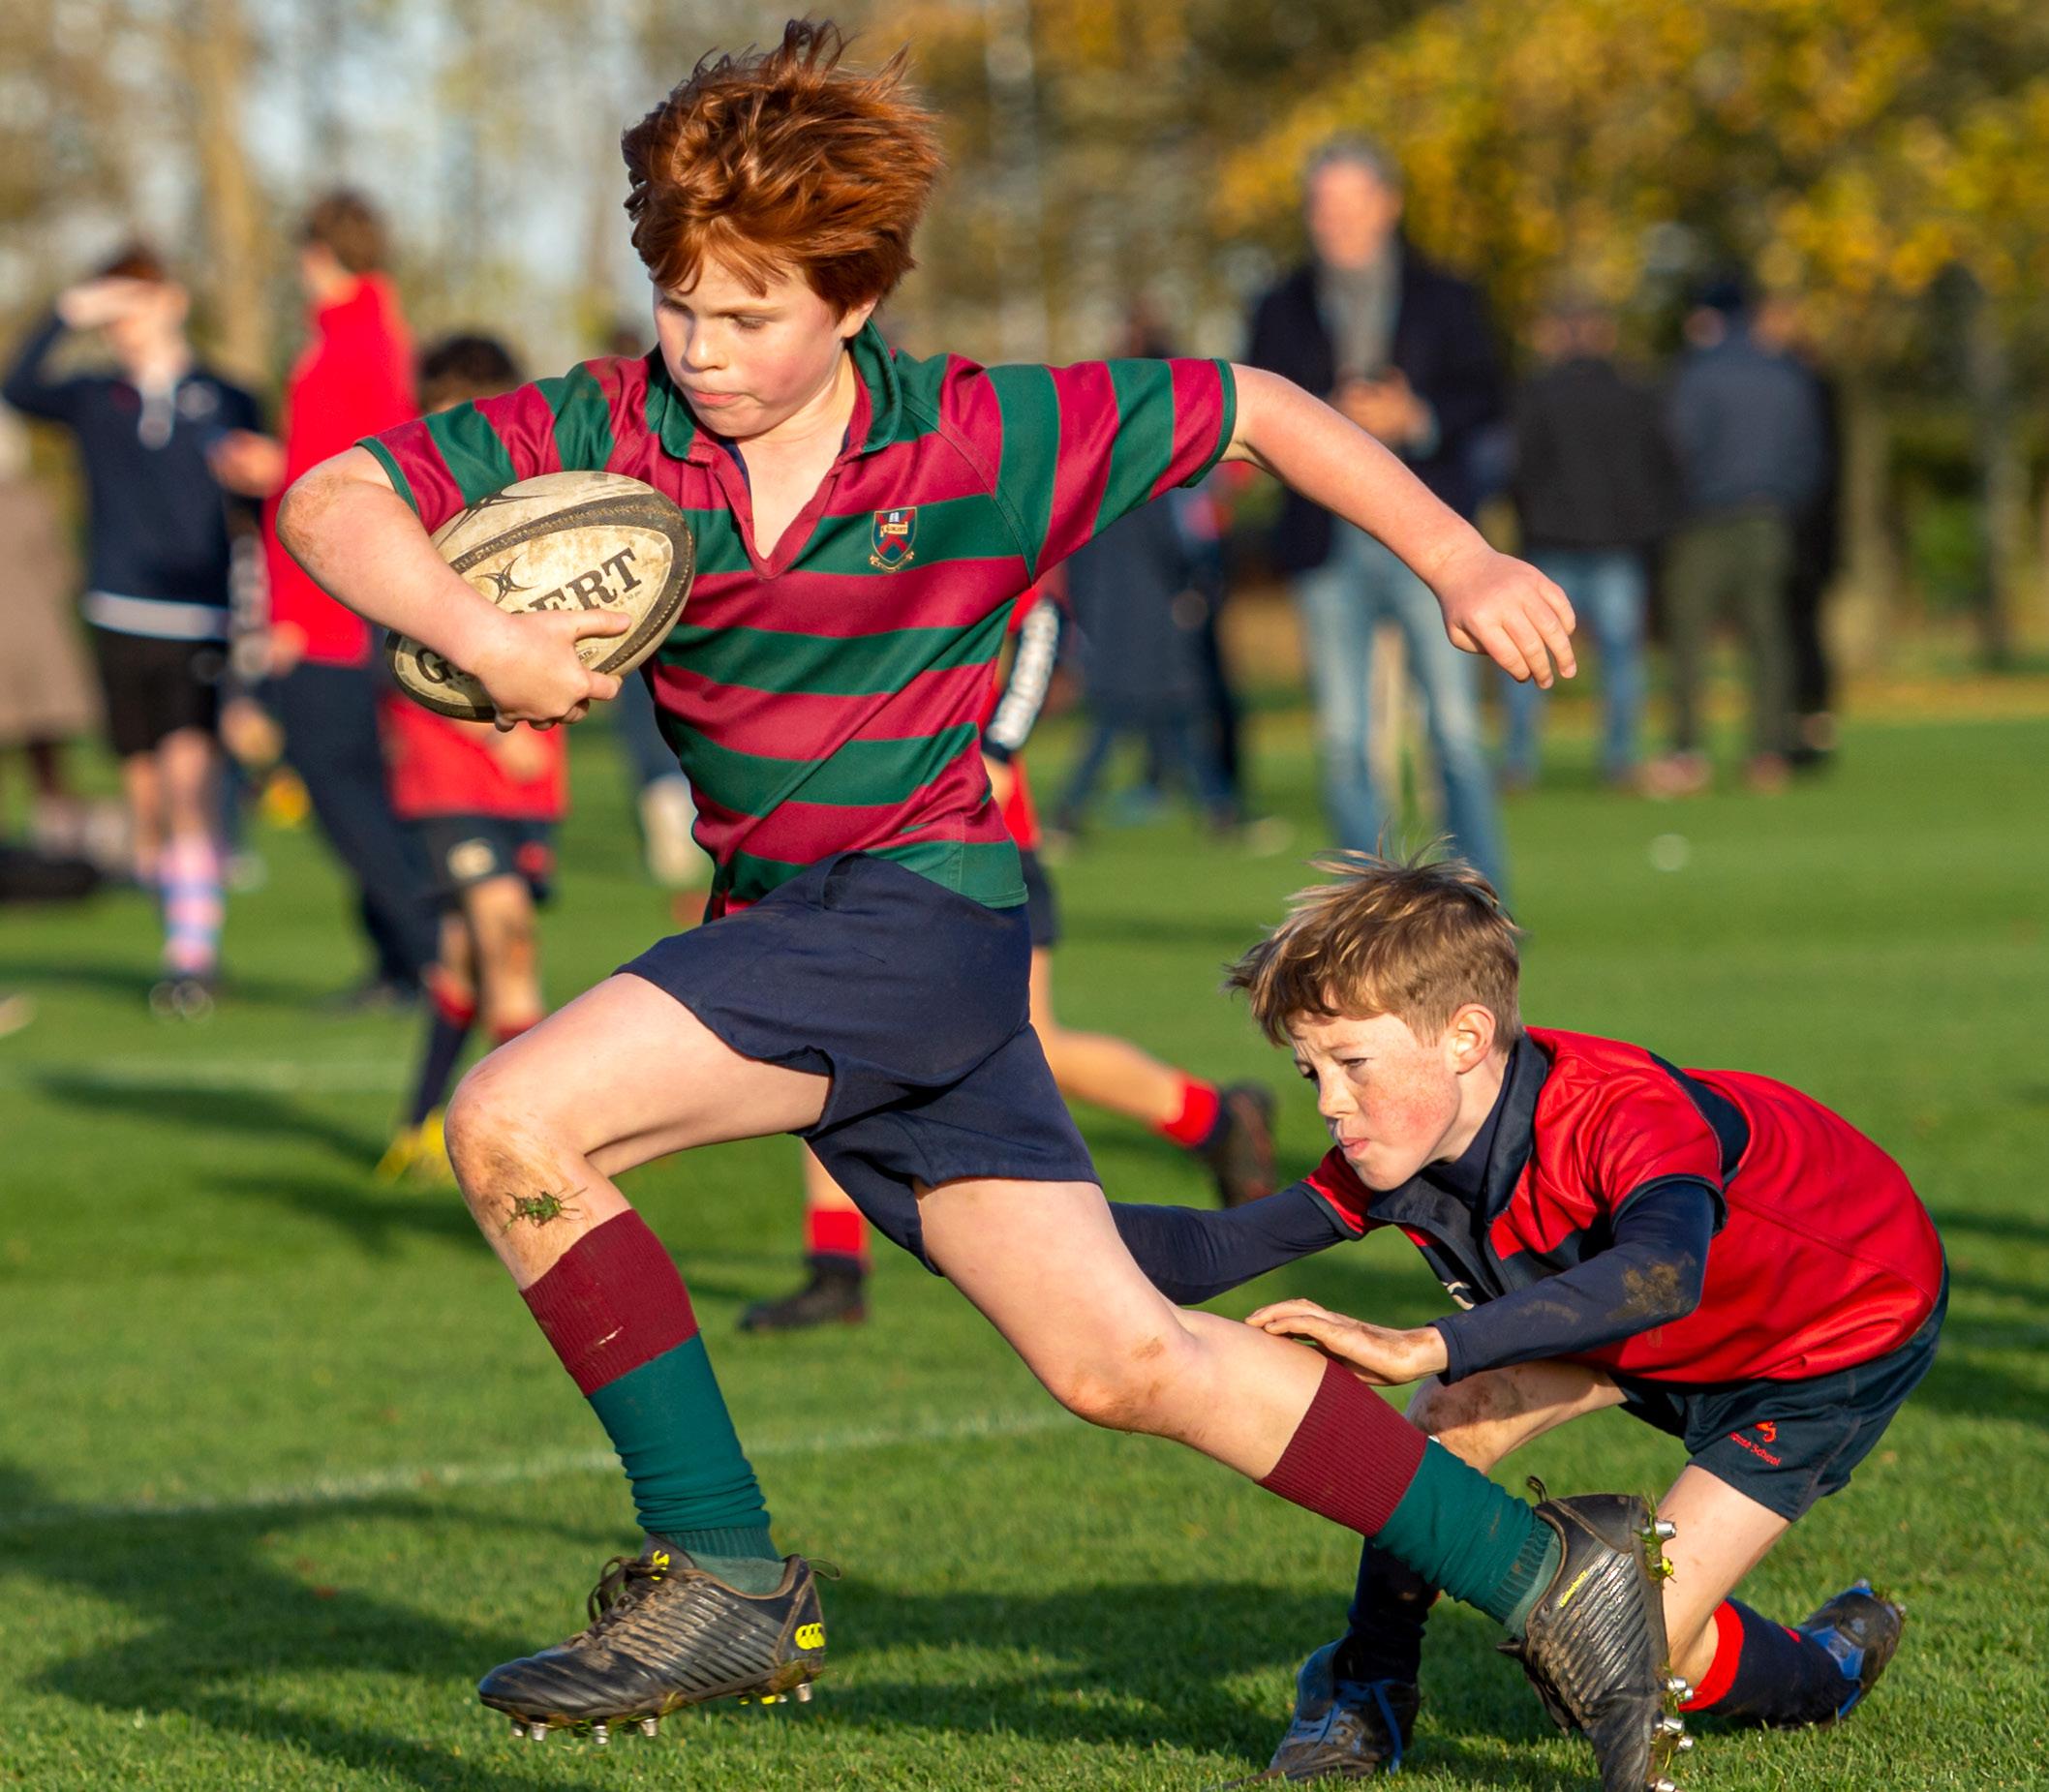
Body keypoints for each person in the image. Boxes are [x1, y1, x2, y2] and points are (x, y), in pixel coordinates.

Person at [279, 28, 1687, 1791]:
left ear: (857, 298)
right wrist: (479, 632)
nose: (703, 351)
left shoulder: (987, 433)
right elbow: (332, 499)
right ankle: (1554, 1576)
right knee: (1123, 1358)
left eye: (750, 316)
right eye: (680, 307)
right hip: (806, 932)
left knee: (511, 1118)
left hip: (917, 918)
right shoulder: (611, 429)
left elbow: (1260, 406)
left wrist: (1460, 557)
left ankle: (721, 1572)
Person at [1103, 851, 1943, 1781]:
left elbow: (1663, 1272)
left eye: (1353, 1064)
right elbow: (1212, 1249)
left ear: (1465, 1036)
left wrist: (1430, 1342)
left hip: (1829, 1334)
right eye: (1311, 1073)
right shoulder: (1404, 1144)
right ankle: (1366, 1685)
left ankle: (1823, 1670)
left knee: (1623, 1648)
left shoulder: (1619, 1113)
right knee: (1448, 1418)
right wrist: (1006, 1212)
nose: (1332, 1103)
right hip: (1642, 1328)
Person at [744, 584, 1278, 1332]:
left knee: (1033, 1046)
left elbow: (1043, 619)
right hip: (866, 840)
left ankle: (1216, 1118)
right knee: (830, 1034)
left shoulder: (947, 518)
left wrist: (997, 747)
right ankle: (836, 1268)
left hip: (981, 842)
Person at [3, 244, 263, 1013]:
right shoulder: (94, 397)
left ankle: (192, 958)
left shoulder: (228, 395)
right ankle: (178, 932)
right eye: (113, 311)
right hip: (117, 617)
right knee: (146, 803)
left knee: (189, 785)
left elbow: (265, 505)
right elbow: (17, 386)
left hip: (198, 617)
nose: (125, 324)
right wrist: (68, 311)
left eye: (137, 304)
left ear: (172, 301)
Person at [1246, 138, 1510, 893]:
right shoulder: (1278, 305)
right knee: (1344, 740)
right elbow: (1255, 410)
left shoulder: (1448, 296)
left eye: (1348, 204)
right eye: (1321, 206)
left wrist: (1415, 416)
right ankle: (1369, 918)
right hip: (1326, 542)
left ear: (1387, 205)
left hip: (1433, 538)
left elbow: (1487, 396)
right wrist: (1322, 426)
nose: (1333, 221)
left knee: (1455, 732)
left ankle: (1483, 907)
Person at [220, 190, 439, 1005]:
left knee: (341, 788)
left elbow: (336, 501)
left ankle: (427, 953)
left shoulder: (350, 345)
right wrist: (277, 465)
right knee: (357, 789)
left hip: (332, 615)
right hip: (344, 609)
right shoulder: (369, 335)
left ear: (318, 252)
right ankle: (398, 958)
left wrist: (294, 618)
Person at [377, 335, 566, 1185]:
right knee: (509, 941)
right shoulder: (408, 517)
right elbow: (400, 645)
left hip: (530, 779)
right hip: (449, 770)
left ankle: (417, 1121)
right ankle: (534, 1148)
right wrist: (490, 731)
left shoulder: (538, 508)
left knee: (465, 954)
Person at [1652, 277, 1826, 797]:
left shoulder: (1695, 373)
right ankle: (1768, 752)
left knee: (1689, 637)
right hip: (1769, 518)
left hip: (1702, 521)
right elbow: (1810, 455)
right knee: (1768, 636)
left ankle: (1687, 752)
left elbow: (1674, 449)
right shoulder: (1787, 374)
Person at [1500, 295, 1680, 788]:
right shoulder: (1636, 393)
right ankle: (1619, 760)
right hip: (1616, 544)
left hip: (1550, 543)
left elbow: (1516, 467)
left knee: (1527, 658)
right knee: (1620, 660)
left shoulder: (1536, 394)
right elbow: (1663, 466)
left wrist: (1530, 519)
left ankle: (1517, 763)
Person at [0, 413, 99, 853]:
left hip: (19, 639)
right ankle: (58, 839)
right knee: (46, 752)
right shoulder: (33, 500)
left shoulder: (32, 499)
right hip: (39, 638)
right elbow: (64, 573)